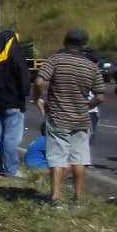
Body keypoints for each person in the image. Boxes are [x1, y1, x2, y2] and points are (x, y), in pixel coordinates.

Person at [33, 29, 106, 209]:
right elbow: (101, 96)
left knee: (57, 159)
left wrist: (38, 99)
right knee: (79, 159)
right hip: (81, 119)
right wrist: (88, 105)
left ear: (65, 42)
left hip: (58, 117)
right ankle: (78, 200)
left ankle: (56, 199)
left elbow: (39, 82)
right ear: (83, 45)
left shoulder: (55, 60)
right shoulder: (90, 66)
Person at [0, 30, 31, 177]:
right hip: (13, 102)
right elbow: (24, 77)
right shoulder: (15, 55)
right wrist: (24, 93)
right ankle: (11, 169)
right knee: (11, 138)